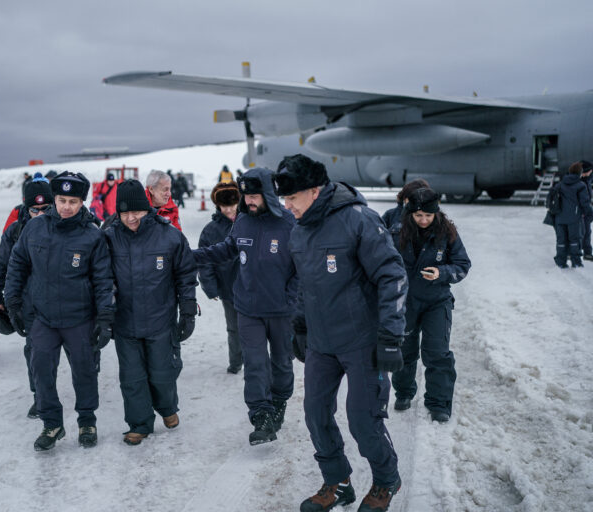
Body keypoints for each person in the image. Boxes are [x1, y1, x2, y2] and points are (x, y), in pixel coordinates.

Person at [273, 154, 407, 512]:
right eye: (283, 200)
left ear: (314, 191)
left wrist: (391, 336)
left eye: (292, 198)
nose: (287, 206)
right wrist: (300, 325)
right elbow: (304, 283)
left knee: (363, 421)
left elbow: (392, 276)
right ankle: (339, 481)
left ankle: (386, 480)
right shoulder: (298, 228)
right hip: (321, 342)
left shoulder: (358, 220)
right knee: (316, 414)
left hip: (364, 342)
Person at [4, 171, 116, 451]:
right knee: (40, 370)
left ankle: (87, 421)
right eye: (62, 200)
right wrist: (13, 303)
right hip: (43, 317)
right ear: (54, 199)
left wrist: (104, 317)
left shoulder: (93, 235)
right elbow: (17, 264)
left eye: (73, 201)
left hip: (79, 319)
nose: (66, 206)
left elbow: (103, 280)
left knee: (85, 371)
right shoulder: (35, 228)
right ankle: (51, 424)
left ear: (82, 203)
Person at [193, 168, 297, 446]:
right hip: (248, 306)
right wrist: (191, 256)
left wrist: (292, 296)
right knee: (254, 364)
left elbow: (304, 267)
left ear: (268, 194)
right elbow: (227, 248)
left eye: (254, 195)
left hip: (281, 310)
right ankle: (260, 415)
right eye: (246, 195)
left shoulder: (290, 223)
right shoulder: (242, 220)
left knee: (281, 363)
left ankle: (279, 402)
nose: (248, 200)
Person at [103, 179, 198, 446]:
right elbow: (102, 280)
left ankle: (167, 408)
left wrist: (188, 311)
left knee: (162, 373)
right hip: (125, 323)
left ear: (147, 209)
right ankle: (139, 423)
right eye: (124, 213)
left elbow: (186, 276)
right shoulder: (109, 238)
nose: (130, 218)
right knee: (132, 378)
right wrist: (104, 317)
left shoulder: (170, 236)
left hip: (160, 321)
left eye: (136, 211)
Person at [389, 187, 471, 426]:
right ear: (409, 214)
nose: (424, 220)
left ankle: (438, 403)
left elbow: (463, 264)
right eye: (418, 216)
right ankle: (404, 391)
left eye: (428, 215)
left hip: (437, 301)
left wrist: (442, 272)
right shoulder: (396, 234)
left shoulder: (447, 233)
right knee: (404, 351)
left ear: (436, 213)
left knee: (437, 353)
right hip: (406, 303)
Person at [0, 177, 52, 418]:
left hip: (66, 302)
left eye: (46, 209)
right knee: (35, 352)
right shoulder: (15, 232)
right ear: (26, 208)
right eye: (35, 210)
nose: (41, 214)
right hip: (30, 303)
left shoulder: (68, 226)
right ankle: (40, 397)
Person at [197, 182, 243, 374]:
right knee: (234, 328)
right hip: (228, 287)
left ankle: (259, 361)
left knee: (257, 327)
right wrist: (211, 287)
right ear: (218, 206)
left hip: (255, 285)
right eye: (225, 207)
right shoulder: (210, 230)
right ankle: (236, 362)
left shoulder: (248, 222)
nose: (230, 211)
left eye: (233, 206)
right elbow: (204, 261)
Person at [553, 161, 593, 268]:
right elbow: (585, 203)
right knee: (575, 240)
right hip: (574, 218)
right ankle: (576, 262)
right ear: (580, 173)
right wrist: (590, 213)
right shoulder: (581, 185)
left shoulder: (560, 185)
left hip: (559, 218)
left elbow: (551, 200)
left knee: (561, 240)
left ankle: (561, 262)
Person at [580, 160, 593, 261]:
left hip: (587, 210)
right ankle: (575, 252)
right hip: (581, 211)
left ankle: (587, 253)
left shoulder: (588, 179)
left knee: (587, 231)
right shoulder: (579, 182)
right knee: (582, 232)